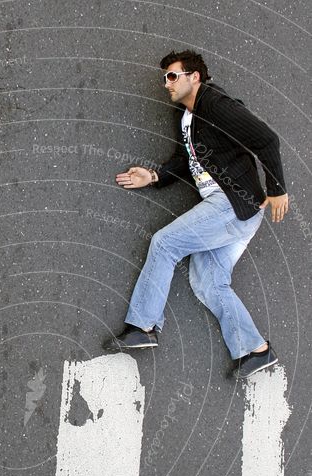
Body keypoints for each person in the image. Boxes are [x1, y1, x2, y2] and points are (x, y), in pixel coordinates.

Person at [102, 50, 288, 378]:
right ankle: (254, 350)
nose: (166, 84)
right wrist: (155, 176)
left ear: (194, 77)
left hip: (233, 203)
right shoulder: (184, 115)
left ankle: (142, 326)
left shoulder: (217, 106)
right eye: (164, 78)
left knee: (165, 243)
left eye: (172, 76)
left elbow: (267, 140)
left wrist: (276, 190)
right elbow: (185, 160)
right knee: (208, 283)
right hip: (230, 209)